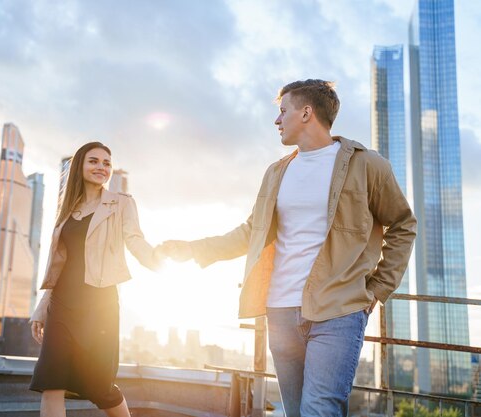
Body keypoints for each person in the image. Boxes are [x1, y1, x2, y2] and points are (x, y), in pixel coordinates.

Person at [159, 79, 416, 416]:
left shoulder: (366, 164)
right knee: (295, 411)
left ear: (306, 112)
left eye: (283, 111)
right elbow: (251, 232)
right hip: (280, 311)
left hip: (339, 310)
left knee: (319, 409)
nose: (276, 120)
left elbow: (403, 225)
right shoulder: (277, 172)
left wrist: (378, 289)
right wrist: (193, 248)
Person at [29, 141, 162, 417]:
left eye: (106, 163)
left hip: (99, 305)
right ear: (80, 165)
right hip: (62, 303)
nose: (101, 167)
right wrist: (43, 306)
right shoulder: (67, 209)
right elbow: (58, 264)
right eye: (94, 161)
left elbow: (135, 240)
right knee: (51, 383)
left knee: (101, 386)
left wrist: (161, 261)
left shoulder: (122, 204)